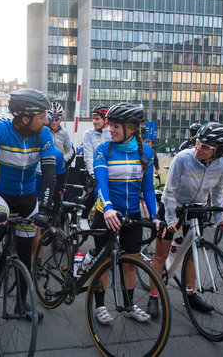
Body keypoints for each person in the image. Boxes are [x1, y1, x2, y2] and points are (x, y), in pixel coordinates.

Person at [0, 89, 55, 321]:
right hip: (2, 195)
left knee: (26, 252)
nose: (47, 120)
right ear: (25, 118)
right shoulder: (0, 130)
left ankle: (21, 304)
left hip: (27, 198)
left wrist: (45, 210)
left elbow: (49, 173)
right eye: (42, 116)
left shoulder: (44, 134)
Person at [148, 122, 223, 318]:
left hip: (196, 209)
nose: (198, 148)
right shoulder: (183, 159)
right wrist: (170, 219)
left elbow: (218, 193)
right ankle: (153, 296)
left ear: (219, 151)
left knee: (192, 254)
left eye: (205, 147)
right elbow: (169, 192)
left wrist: (219, 218)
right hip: (173, 206)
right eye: (198, 143)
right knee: (161, 256)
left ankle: (191, 294)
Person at [91, 102, 160, 324]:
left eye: (116, 126)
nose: (110, 129)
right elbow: (99, 183)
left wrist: (154, 216)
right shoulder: (104, 149)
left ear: (131, 128)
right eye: (109, 124)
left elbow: (148, 188)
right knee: (105, 262)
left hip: (132, 215)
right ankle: (100, 306)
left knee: (131, 261)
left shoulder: (146, 151)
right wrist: (108, 207)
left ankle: (129, 305)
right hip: (107, 213)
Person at [80, 104, 112, 230]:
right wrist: (93, 174)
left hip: (111, 172)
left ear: (106, 120)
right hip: (95, 170)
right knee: (95, 191)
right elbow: (88, 156)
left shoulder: (112, 133)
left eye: (97, 118)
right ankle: (83, 217)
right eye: (93, 118)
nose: (94, 121)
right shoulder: (89, 134)